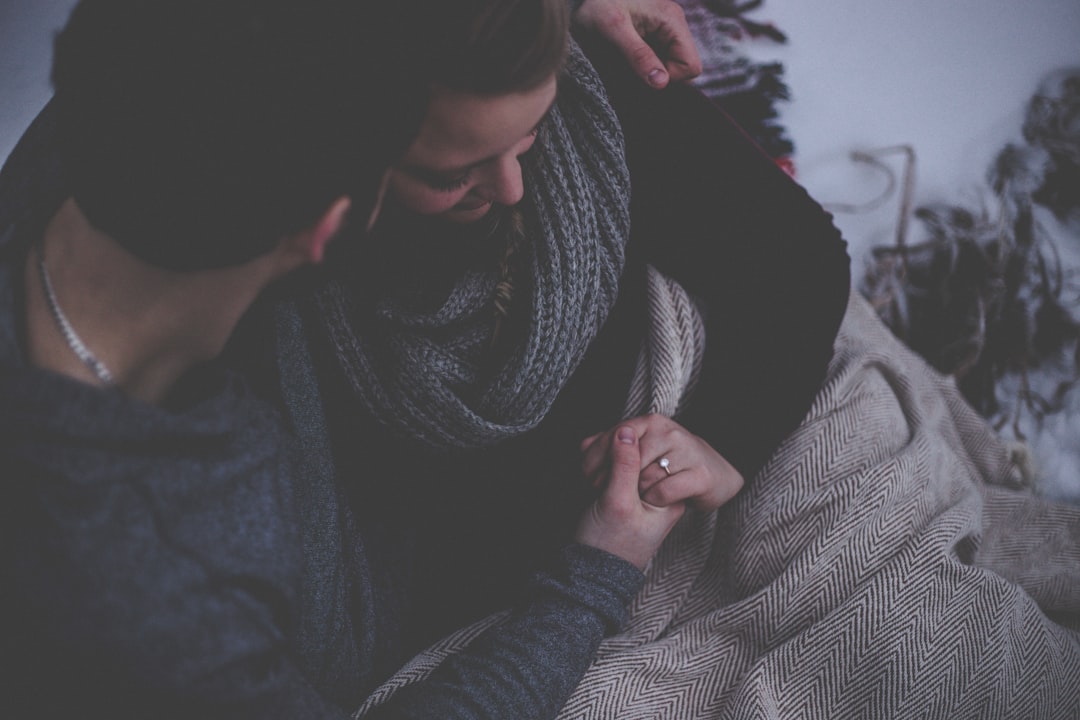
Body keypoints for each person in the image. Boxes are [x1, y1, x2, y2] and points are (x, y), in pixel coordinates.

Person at [271, 1, 1080, 718]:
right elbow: (392, 547)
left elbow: (797, 257)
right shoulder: (297, 294)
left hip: (723, 404)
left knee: (926, 634)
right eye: (451, 174)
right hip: (559, 570)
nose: (513, 187)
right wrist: (596, 557)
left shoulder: (590, 96)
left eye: (528, 136)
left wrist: (722, 441)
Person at [0, 0, 713, 718]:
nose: (508, 190)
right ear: (331, 227)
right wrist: (593, 581)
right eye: (441, 171)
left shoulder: (117, 104)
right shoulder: (174, 594)